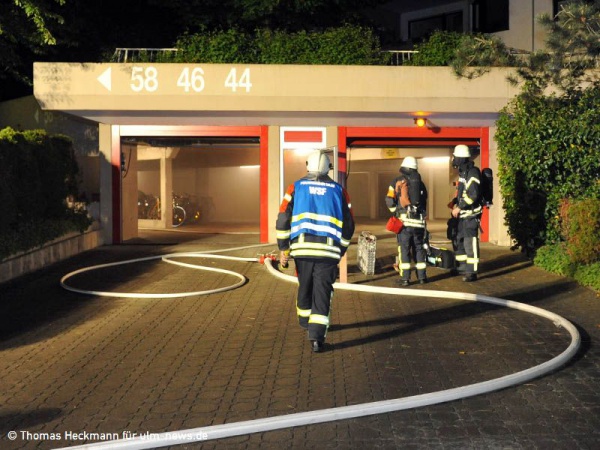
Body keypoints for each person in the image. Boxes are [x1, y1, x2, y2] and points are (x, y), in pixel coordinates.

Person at [276, 150, 355, 353]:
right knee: (322, 291)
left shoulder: (295, 187)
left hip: (302, 249)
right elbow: (349, 225)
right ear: (329, 168)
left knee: (305, 285)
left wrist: (284, 247)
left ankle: (305, 322)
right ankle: (317, 338)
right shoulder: (339, 191)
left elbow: (283, 218)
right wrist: (341, 249)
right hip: (328, 251)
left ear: (307, 166)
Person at [385, 156, 428, 286]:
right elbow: (424, 200)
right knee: (419, 249)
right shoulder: (420, 183)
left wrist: (395, 211)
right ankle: (422, 277)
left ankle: (405, 279)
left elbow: (389, 199)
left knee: (404, 250)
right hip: (419, 224)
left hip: (404, 224)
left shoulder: (397, 181)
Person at [450, 145, 483, 282]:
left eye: (455, 157)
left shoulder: (473, 172)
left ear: (460, 158)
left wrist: (460, 207)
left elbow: (473, 195)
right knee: (460, 241)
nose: (453, 159)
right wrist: (455, 203)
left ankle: (471, 272)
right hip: (463, 216)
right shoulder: (464, 172)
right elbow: (462, 192)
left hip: (470, 215)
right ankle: (462, 267)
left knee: (470, 243)